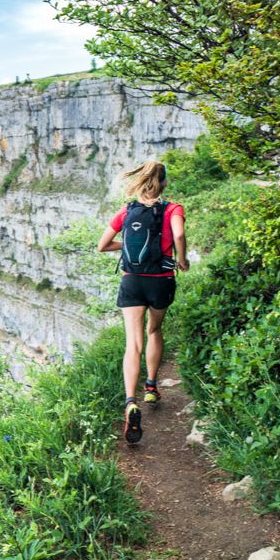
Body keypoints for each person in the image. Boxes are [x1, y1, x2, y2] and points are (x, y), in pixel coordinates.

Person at [97, 160, 188, 444]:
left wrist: (123, 247)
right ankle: (151, 387)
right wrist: (181, 259)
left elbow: (102, 245)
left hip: (132, 280)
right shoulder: (173, 208)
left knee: (132, 344)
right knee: (154, 331)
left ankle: (130, 401)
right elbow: (179, 234)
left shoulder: (127, 210)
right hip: (160, 279)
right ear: (163, 183)